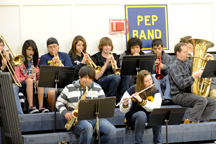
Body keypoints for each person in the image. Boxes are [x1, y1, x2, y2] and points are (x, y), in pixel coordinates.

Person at [56, 65, 116, 144]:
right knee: (87, 128)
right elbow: (59, 102)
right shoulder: (69, 88)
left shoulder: (98, 88)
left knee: (112, 130)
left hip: (95, 119)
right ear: (79, 76)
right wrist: (65, 113)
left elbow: (103, 105)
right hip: (77, 120)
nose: (87, 80)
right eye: (85, 77)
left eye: (90, 78)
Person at [168, 42, 216, 124]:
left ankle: (202, 122)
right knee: (202, 100)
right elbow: (181, 84)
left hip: (188, 94)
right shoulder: (174, 66)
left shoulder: (187, 65)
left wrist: (205, 67)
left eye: (187, 51)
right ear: (178, 53)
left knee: (212, 102)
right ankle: (190, 122)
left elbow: (196, 77)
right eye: (185, 52)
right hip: (178, 95)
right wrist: (195, 75)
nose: (188, 53)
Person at [119, 70, 162, 144]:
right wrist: (125, 105)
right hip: (134, 118)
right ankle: (138, 142)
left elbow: (156, 107)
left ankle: (157, 142)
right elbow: (122, 110)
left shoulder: (156, 91)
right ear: (141, 83)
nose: (150, 83)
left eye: (150, 79)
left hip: (148, 119)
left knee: (156, 114)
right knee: (141, 114)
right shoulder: (132, 90)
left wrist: (141, 101)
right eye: (146, 81)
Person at [39, 37, 73, 111]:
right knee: (51, 93)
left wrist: (63, 68)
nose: (53, 49)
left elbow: (70, 71)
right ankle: (52, 112)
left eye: (54, 46)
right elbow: (43, 74)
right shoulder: (44, 58)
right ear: (47, 48)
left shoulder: (65, 56)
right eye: (50, 47)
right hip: (50, 83)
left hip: (63, 82)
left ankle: (69, 111)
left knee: (69, 91)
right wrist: (52, 63)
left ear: (58, 46)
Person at [15, 39, 49, 113]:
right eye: (29, 50)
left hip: (35, 84)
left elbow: (43, 77)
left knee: (39, 82)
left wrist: (38, 73)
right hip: (24, 85)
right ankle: (31, 106)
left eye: (33, 50)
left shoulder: (38, 60)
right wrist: (27, 77)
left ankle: (41, 107)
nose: (31, 52)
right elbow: (16, 79)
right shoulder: (19, 61)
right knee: (30, 81)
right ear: (25, 50)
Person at [0, 38, 23, 114]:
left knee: (12, 88)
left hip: (9, 84)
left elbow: (12, 73)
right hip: (1, 85)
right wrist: (3, 67)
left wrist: (9, 60)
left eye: (1, 45)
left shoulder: (6, 55)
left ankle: (20, 116)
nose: (0, 48)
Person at [146, 39, 173, 105]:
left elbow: (171, 71)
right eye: (155, 49)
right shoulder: (148, 56)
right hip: (154, 79)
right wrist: (154, 67)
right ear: (152, 48)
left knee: (170, 76)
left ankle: (167, 98)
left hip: (164, 78)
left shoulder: (168, 57)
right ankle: (160, 98)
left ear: (163, 48)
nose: (157, 50)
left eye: (159, 48)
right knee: (153, 76)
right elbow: (146, 72)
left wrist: (163, 67)